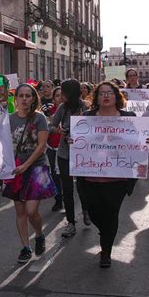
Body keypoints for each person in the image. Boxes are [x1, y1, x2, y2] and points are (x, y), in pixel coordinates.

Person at [76, 81, 149, 267]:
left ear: (116, 96)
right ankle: (105, 232)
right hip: (90, 176)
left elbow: (137, 142)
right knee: (94, 212)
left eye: (109, 92)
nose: (105, 96)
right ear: (96, 98)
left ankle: (106, 252)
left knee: (111, 212)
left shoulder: (128, 117)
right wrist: (74, 140)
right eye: (101, 93)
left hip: (118, 177)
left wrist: (146, 142)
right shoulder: (87, 116)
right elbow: (80, 141)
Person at [4, 83, 51, 263]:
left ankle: (39, 234)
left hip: (37, 168)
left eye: (28, 96)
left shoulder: (39, 118)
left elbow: (41, 146)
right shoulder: (8, 118)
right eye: (21, 96)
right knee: (20, 211)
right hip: (16, 169)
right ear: (15, 99)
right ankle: (25, 247)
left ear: (33, 99)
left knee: (32, 211)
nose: (24, 99)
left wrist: (26, 165)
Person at [49, 79, 89, 238]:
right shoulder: (62, 108)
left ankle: (86, 209)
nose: (61, 95)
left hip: (82, 154)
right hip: (64, 154)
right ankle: (71, 222)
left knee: (82, 186)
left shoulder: (85, 107)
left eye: (64, 92)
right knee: (67, 189)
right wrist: (60, 132)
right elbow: (51, 126)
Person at [47, 86, 64, 212]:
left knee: (65, 175)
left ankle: (66, 197)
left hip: (65, 148)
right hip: (51, 147)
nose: (60, 98)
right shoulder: (48, 112)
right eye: (57, 95)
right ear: (53, 98)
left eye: (62, 95)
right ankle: (58, 200)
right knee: (54, 175)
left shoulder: (70, 111)